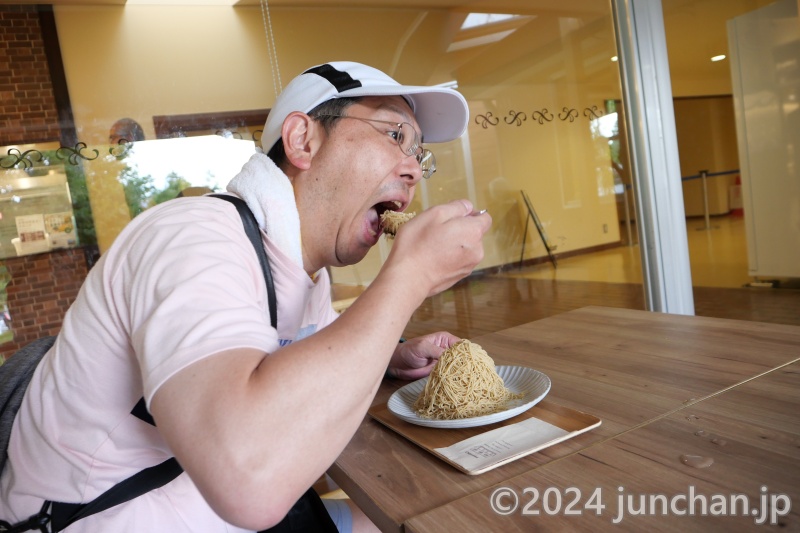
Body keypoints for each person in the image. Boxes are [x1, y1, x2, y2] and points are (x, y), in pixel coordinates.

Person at [0, 61, 490, 532]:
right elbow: (249, 481)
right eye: (395, 135)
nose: (412, 171)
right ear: (303, 140)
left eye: (419, 154)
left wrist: (390, 356)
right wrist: (410, 277)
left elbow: (282, 365)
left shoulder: (306, 274)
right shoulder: (193, 237)